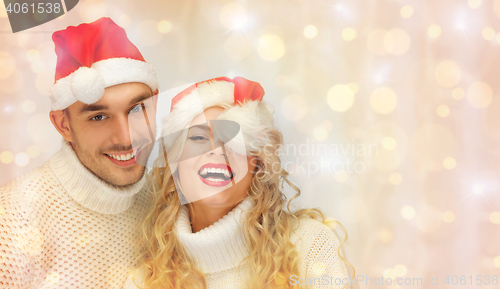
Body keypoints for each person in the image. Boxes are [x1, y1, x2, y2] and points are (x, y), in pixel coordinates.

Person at [124, 77, 355, 289]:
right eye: (198, 137)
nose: (216, 152)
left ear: (258, 164)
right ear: (175, 163)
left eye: (235, 140)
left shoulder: (310, 246)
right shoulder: (145, 281)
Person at [0, 18, 159, 288]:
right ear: (63, 124)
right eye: (98, 117)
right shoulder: (13, 219)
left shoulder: (163, 198)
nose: (126, 137)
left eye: (135, 109)